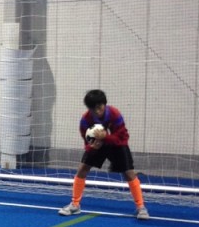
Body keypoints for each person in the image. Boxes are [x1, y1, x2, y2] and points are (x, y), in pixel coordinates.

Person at [59, 89, 149, 220]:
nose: (97, 111)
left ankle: (141, 207)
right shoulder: (85, 120)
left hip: (117, 144)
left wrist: (106, 137)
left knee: (129, 173)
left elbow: (122, 138)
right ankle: (75, 205)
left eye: (99, 107)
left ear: (104, 104)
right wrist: (91, 147)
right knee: (82, 169)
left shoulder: (114, 114)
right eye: (93, 108)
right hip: (98, 145)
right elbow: (86, 141)